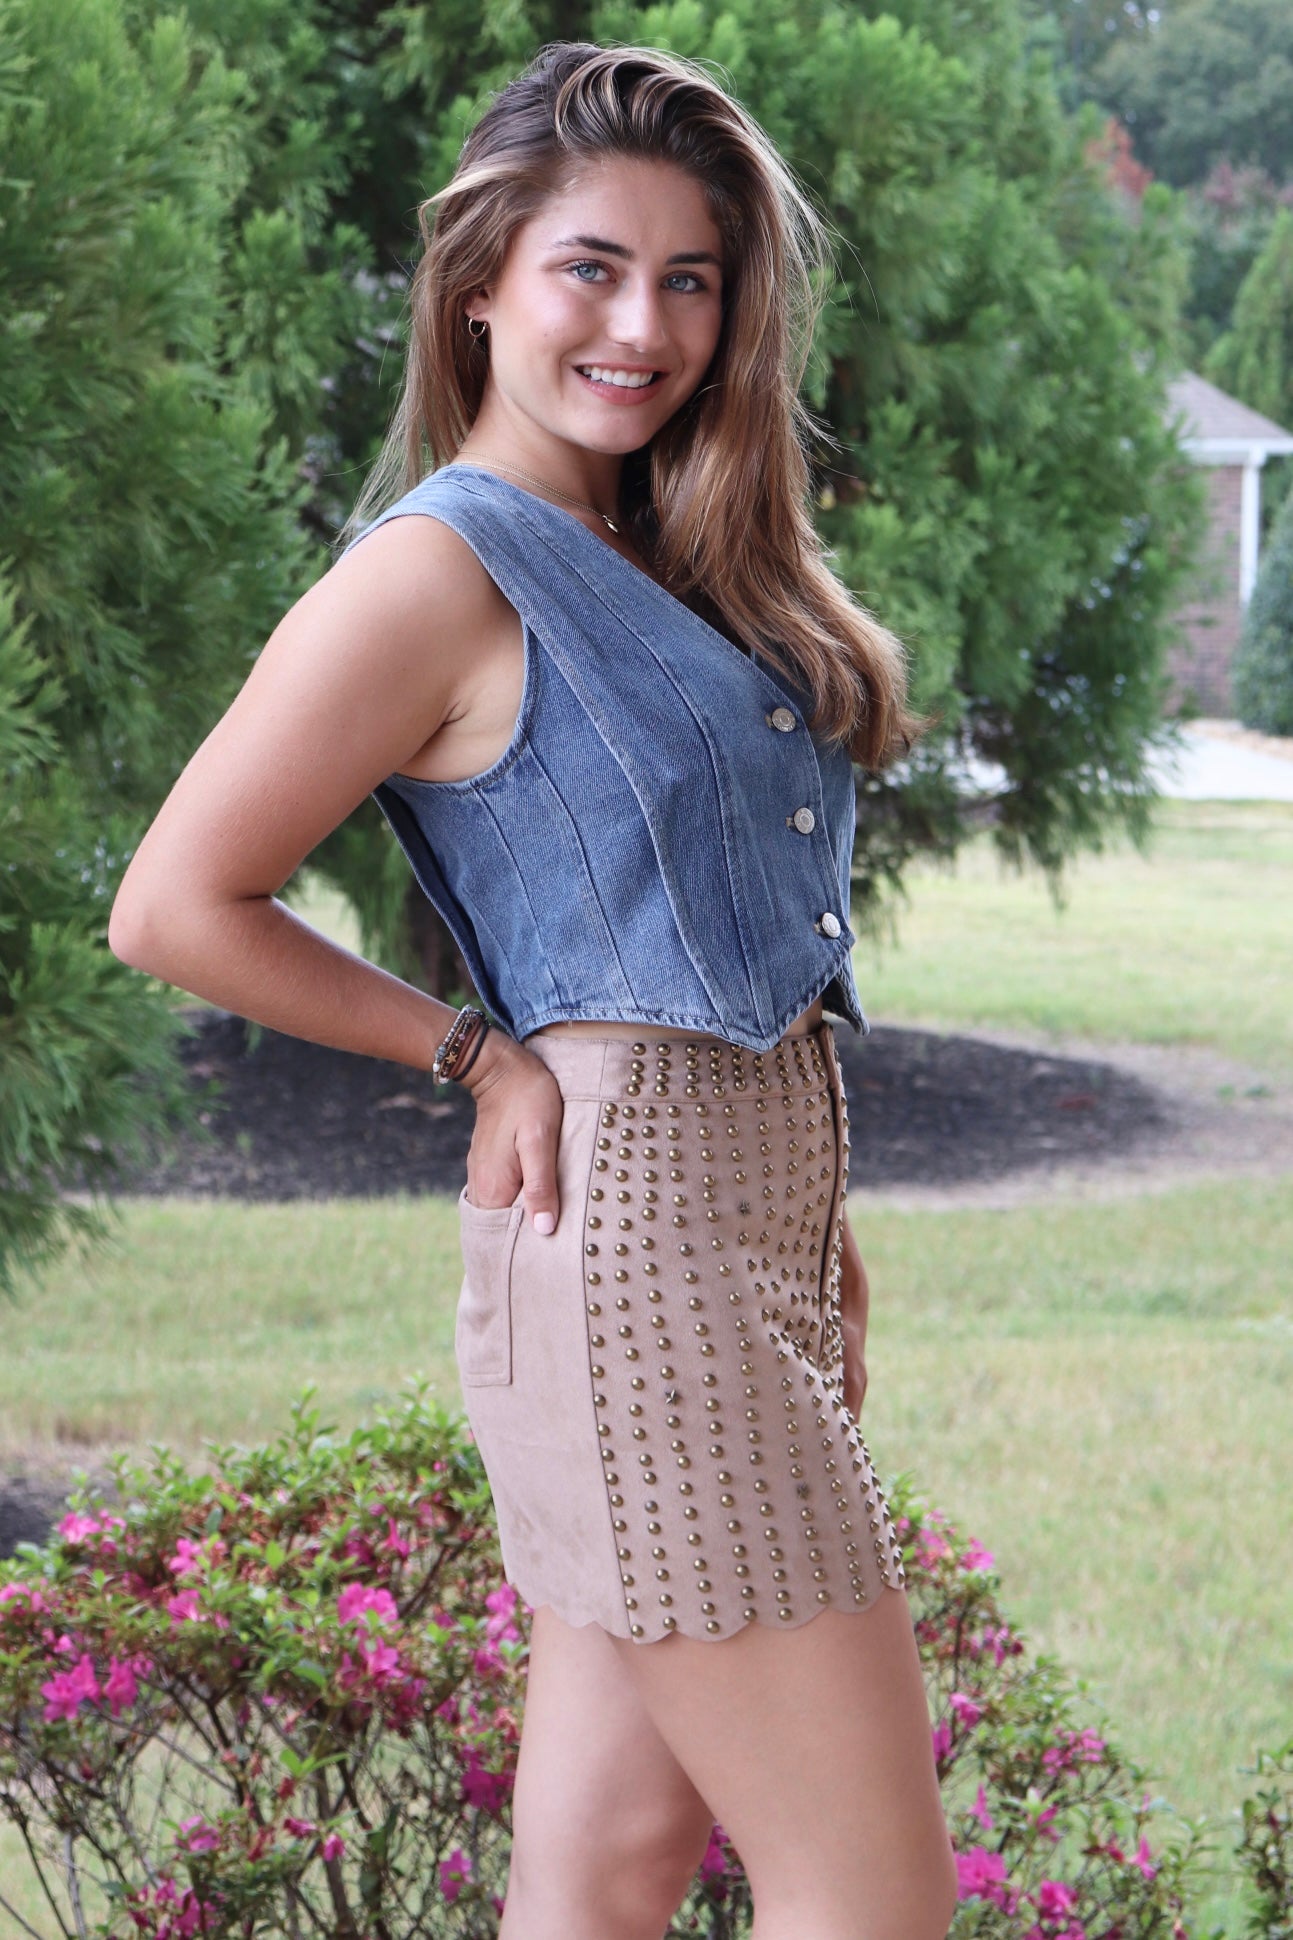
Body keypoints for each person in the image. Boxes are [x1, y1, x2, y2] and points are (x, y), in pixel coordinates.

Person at [109, 39, 957, 1940]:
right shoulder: (436, 573)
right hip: (631, 1243)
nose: (641, 325)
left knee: (607, 1871)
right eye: (590, 265)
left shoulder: (657, 549)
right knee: (870, 1900)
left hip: (727, 1234)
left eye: (690, 278)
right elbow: (174, 904)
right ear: (481, 278)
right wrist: (471, 1055)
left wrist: (812, 1221)